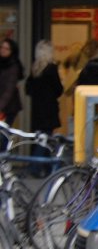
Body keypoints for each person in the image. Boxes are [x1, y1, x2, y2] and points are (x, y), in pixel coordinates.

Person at [25, 40, 63, 175]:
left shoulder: (35, 69)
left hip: (37, 110)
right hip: (49, 109)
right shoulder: (51, 68)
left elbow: (27, 89)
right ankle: (34, 167)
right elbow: (59, 89)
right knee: (45, 140)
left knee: (45, 139)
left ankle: (47, 169)